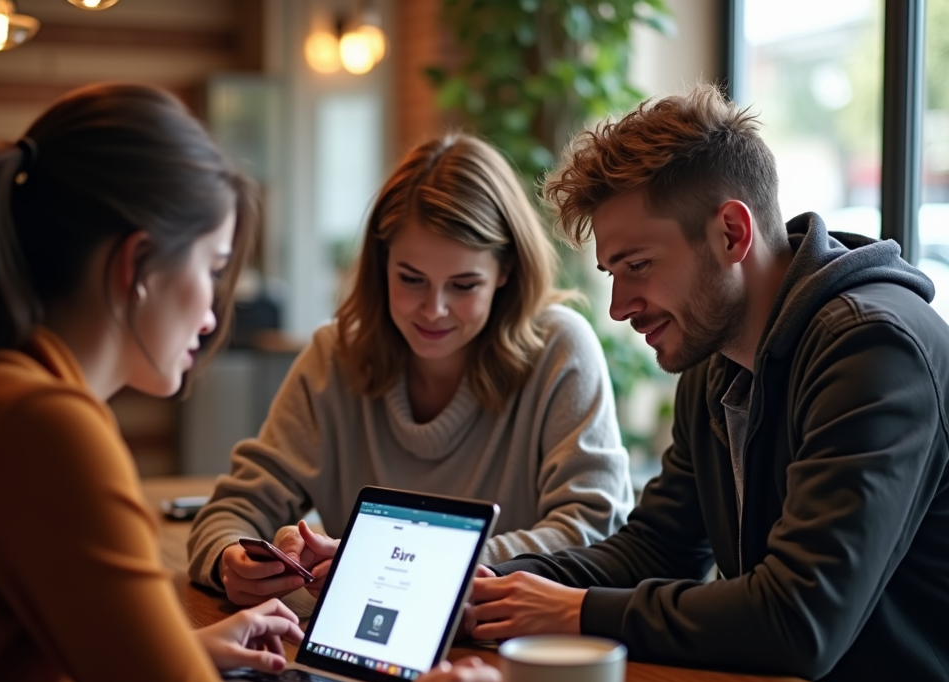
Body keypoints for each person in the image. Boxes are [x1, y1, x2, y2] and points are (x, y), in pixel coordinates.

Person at [0, 83, 500, 682]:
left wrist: (178, 655)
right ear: (137, 267)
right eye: (214, 267)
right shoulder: (45, 429)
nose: (213, 313)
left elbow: (2, 654)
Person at [465, 83, 949, 682]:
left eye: (638, 264)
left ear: (731, 232)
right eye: (613, 272)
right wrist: (484, 582)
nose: (618, 305)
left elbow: (799, 618)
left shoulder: (873, 348)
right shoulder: (717, 364)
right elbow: (656, 549)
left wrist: (575, 611)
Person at [187, 133, 634, 607]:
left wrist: (386, 560)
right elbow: (235, 510)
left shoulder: (560, 349)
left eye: (463, 285)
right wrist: (230, 559)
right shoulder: (334, 356)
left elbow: (595, 532)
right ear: (381, 265)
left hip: (509, 653)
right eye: (411, 279)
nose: (434, 310)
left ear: (504, 271)